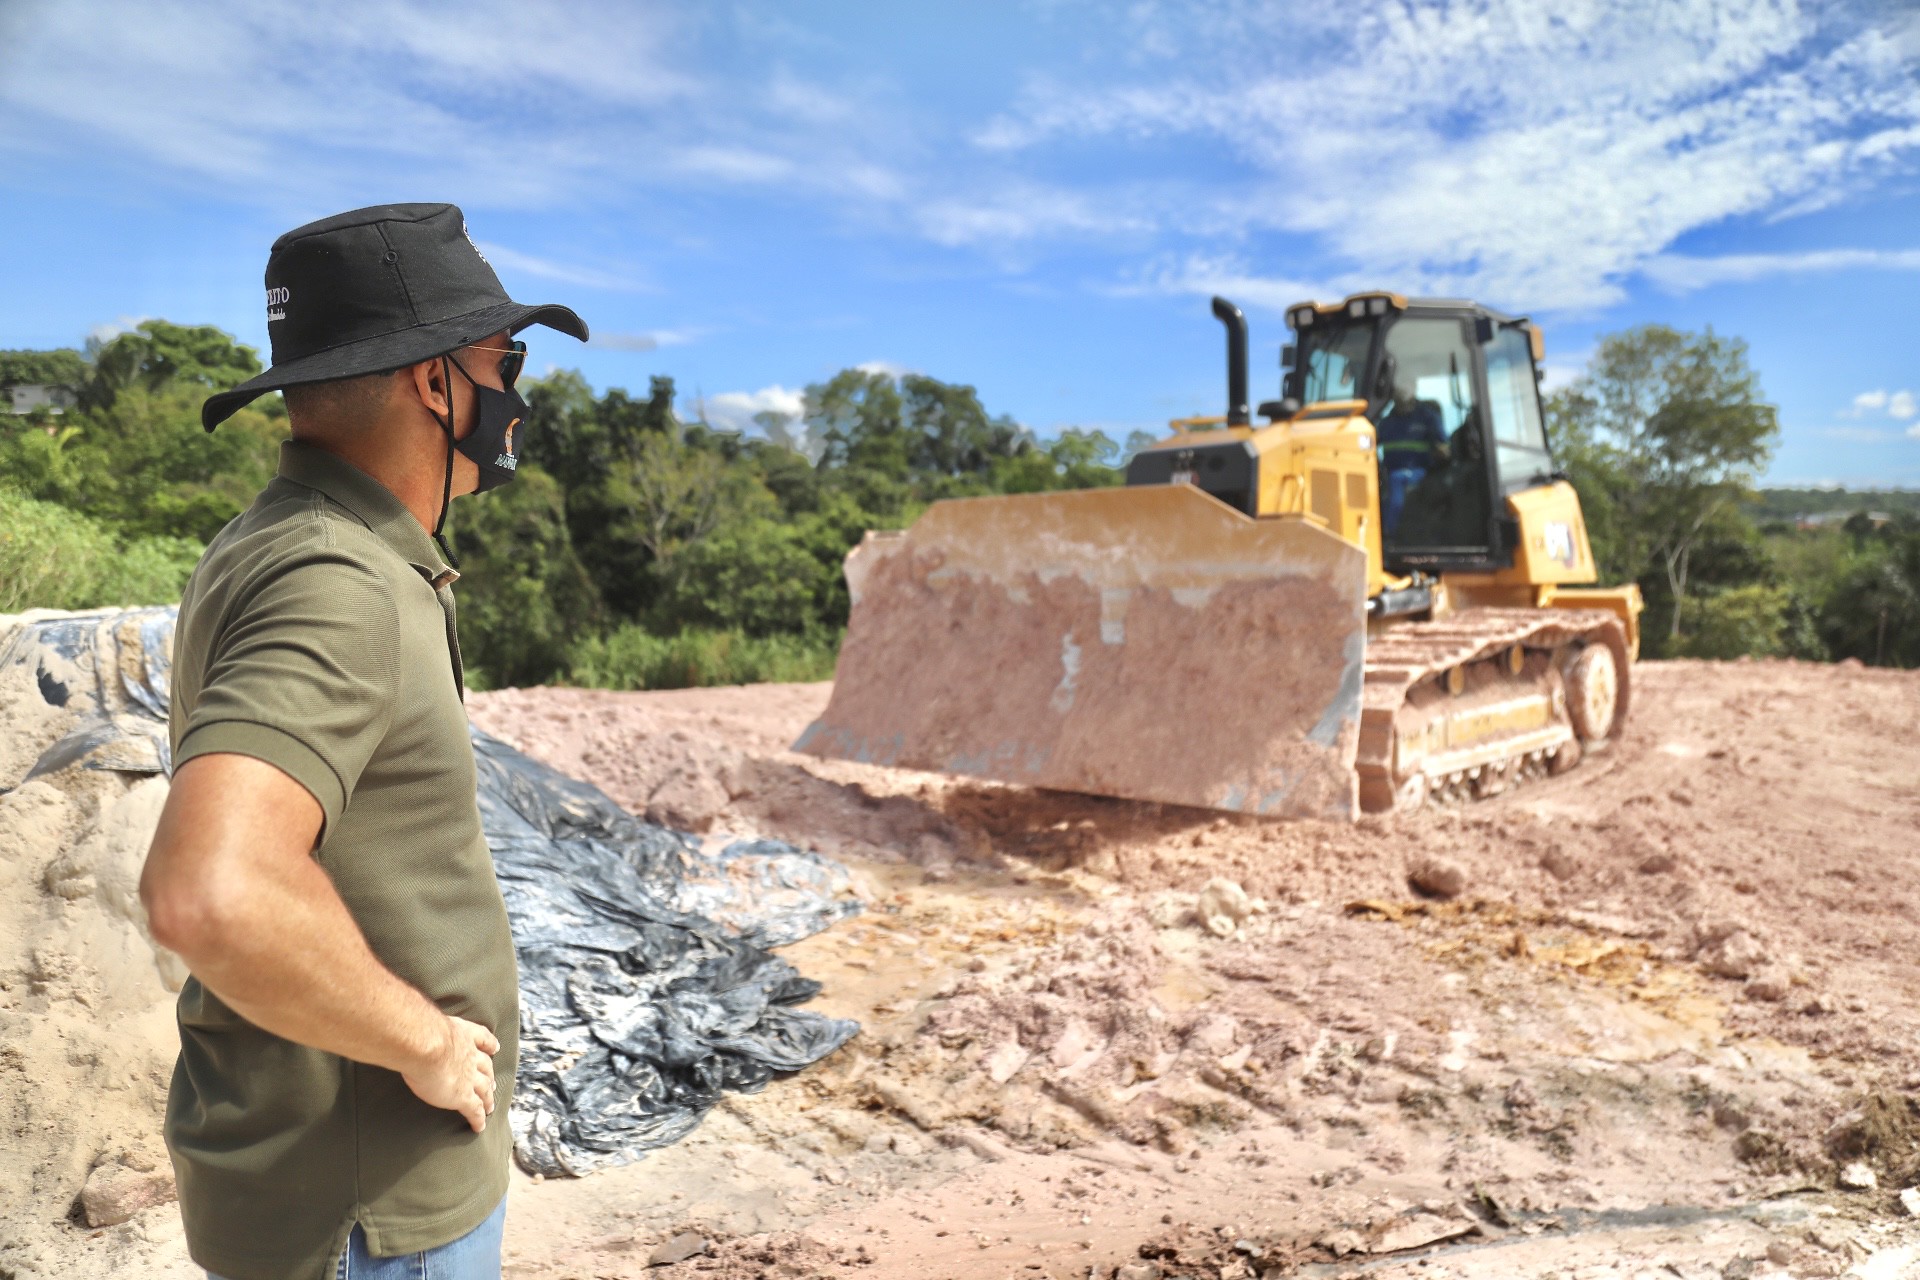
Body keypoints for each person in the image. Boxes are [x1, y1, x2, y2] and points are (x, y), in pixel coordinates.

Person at [139, 203, 587, 1280]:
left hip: (318, 1185)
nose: (515, 393)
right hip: (371, 1212)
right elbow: (211, 889)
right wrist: (424, 1040)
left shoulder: (279, 539)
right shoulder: (342, 584)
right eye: (504, 358)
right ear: (435, 380)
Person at [1376, 381, 1448, 535]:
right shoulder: (1386, 423)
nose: (1402, 392)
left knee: (1397, 481)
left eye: (1406, 387)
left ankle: (1390, 536)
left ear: (1414, 389)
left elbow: (1445, 447)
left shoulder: (1428, 417)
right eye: (1398, 388)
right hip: (1389, 473)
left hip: (1421, 472)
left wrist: (1441, 452)